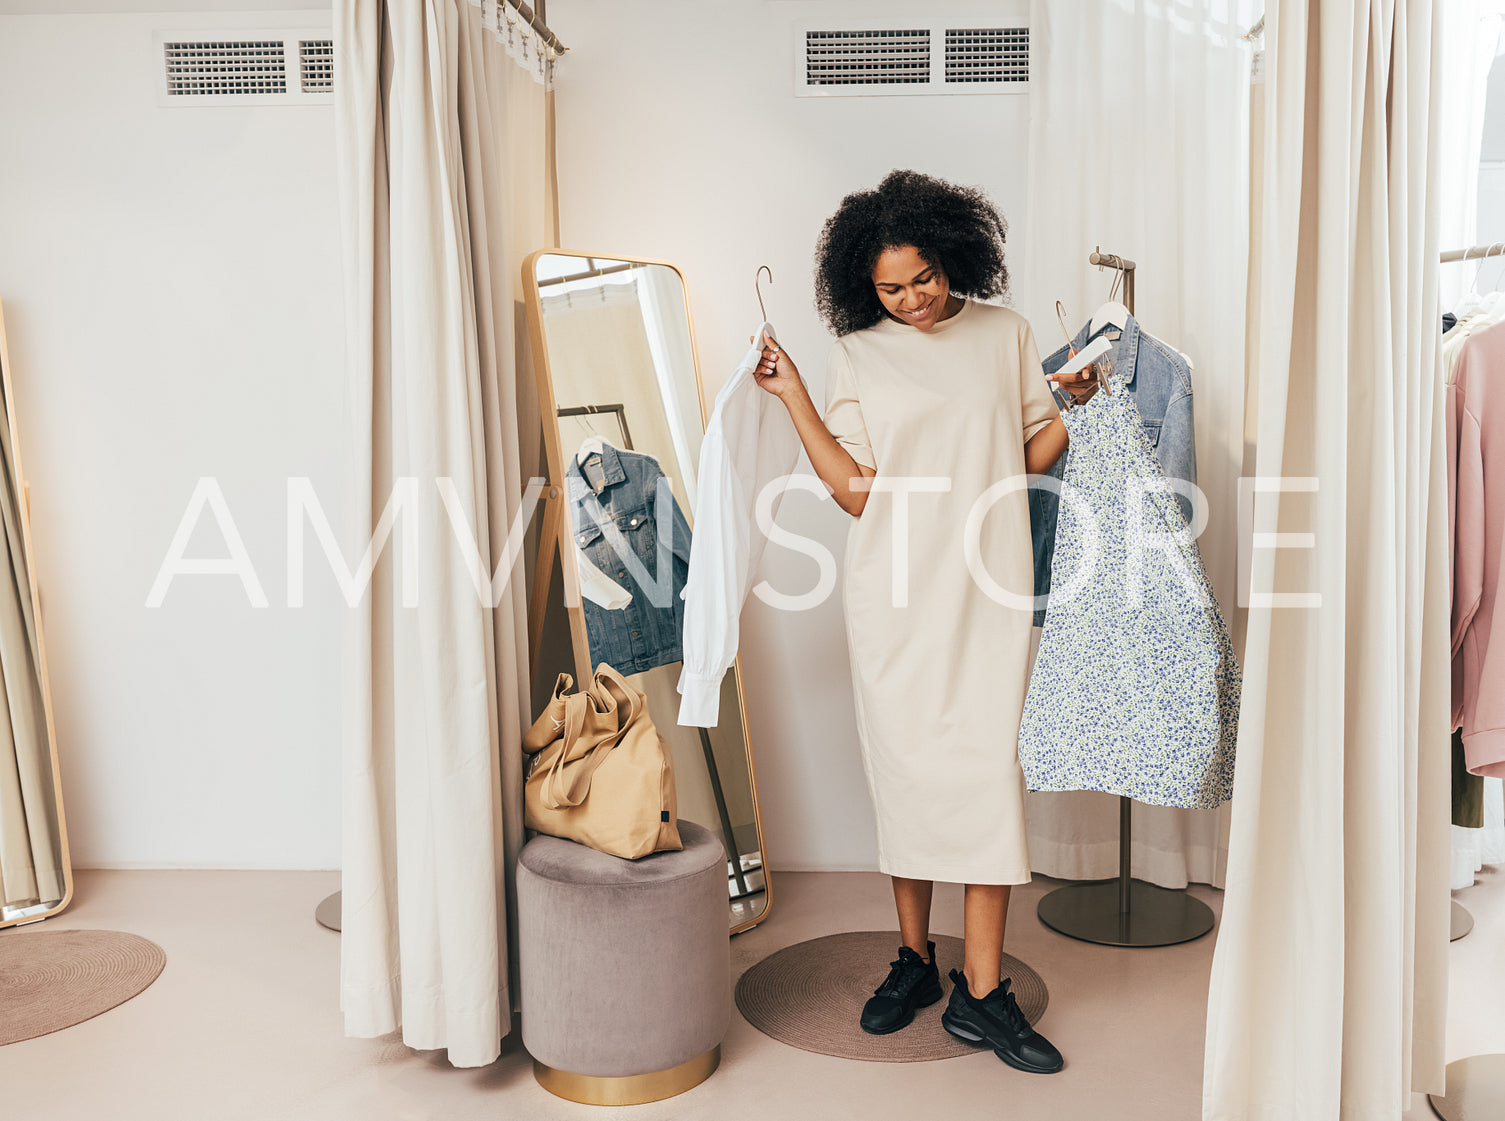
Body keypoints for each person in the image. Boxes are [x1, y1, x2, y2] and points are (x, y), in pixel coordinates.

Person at [752, 170, 1097, 1075]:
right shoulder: (859, 353)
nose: (910, 300)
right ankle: (916, 959)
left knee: (984, 783)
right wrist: (792, 393)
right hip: (894, 598)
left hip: (986, 590)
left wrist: (1075, 409)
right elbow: (854, 491)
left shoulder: (1005, 334)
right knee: (908, 783)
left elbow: (1026, 458)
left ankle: (981, 996)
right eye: (889, 288)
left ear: (954, 258)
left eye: (924, 279)